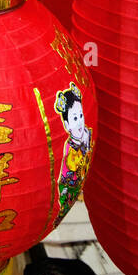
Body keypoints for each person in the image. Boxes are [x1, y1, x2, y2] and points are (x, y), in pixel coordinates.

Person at [54, 83, 93, 216]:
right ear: (67, 125)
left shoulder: (86, 133)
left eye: (81, 116)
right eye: (75, 118)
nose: (80, 122)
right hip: (68, 186)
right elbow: (71, 164)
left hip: (79, 179)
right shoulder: (70, 146)